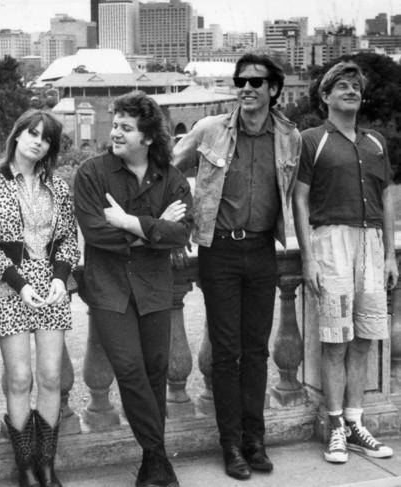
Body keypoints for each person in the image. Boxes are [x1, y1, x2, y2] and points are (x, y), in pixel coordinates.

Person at [172, 53, 301, 480]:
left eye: (256, 82)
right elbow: (170, 171)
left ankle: (255, 440)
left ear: (273, 90)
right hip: (220, 252)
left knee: (258, 350)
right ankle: (231, 446)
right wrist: (175, 225)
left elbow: (296, 192)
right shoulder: (210, 130)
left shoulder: (288, 137)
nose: (246, 88)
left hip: (263, 251)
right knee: (226, 354)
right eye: (240, 81)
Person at [74, 90, 191, 487]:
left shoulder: (169, 177)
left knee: (157, 370)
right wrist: (153, 227)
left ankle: (152, 462)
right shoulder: (91, 173)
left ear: (148, 137)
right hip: (109, 289)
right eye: (116, 125)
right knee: (128, 368)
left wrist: (128, 223)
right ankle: (158, 454)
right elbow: (95, 232)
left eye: (126, 127)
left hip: (155, 288)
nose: (116, 133)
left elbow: (183, 233)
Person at [293, 61, 398, 464]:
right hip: (330, 242)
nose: (350, 91)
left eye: (355, 86)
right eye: (341, 86)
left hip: (371, 245)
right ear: (325, 96)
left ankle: (356, 423)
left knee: (366, 338)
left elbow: (386, 197)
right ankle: (335, 425)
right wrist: (308, 258)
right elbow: (299, 199)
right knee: (335, 339)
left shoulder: (375, 141)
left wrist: (389, 254)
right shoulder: (311, 139)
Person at [0, 109, 79, 487]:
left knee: (51, 376)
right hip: (7, 286)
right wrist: (19, 283)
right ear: (16, 135)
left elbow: (68, 238)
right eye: (32, 133)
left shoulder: (58, 186)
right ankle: (26, 469)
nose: (38, 141)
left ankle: (46, 465)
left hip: (52, 287)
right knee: (19, 378)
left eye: (47, 137)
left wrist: (59, 279)